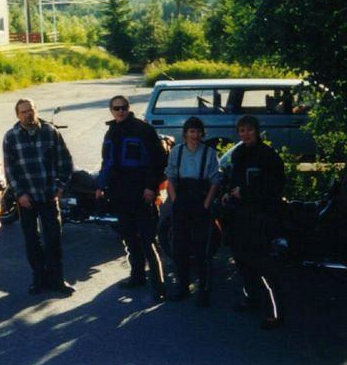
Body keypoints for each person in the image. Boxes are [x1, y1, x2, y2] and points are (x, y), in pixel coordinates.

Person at [95, 95, 166, 301]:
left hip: (142, 192)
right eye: (116, 108)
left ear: (129, 108)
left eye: (123, 107)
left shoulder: (143, 130)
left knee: (148, 240)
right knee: (129, 237)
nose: (120, 111)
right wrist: (100, 185)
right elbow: (106, 161)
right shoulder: (111, 131)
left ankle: (158, 286)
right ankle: (137, 276)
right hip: (120, 192)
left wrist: (151, 187)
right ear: (111, 110)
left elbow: (158, 161)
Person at [3, 98, 75, 296]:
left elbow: (65, 161)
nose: (28, 114)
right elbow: (10, 170)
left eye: (31, 110)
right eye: (24, 112)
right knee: (32, 241)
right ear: (18, 115)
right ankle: (39, 279)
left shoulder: (50, 132)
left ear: (36, 110)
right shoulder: (11, 136)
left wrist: (60, 187)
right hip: (26, 199)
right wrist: (20, 194)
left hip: (49, 195)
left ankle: (58, 280)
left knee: (53, 239)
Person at [225, 115, 285, 329]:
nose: (245, 134)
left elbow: (276, 187)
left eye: (249, 130)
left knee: (264, 265)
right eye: (241, 130)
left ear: (257, 131)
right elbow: (234, 180)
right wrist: (228, 193)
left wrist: (247, 193)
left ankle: (275, 313)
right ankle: (251, 298)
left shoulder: (268, 155)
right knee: (242, 261)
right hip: (240, 217)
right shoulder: (239, 152)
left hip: (262, 217)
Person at [165, 116, 222, 306]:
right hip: (181, 201)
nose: (194, 135)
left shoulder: (209, 153)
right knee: (179, 246)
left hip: (200, 200)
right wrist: (174, 200)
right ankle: (182, 286)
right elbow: (170, 177)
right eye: (191, 131)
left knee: (201, 248)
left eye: (198, 132)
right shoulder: (176, 152)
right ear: (185, 134)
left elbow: (215, 181)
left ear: (202, 133)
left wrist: (206, 204)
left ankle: (203, 289)